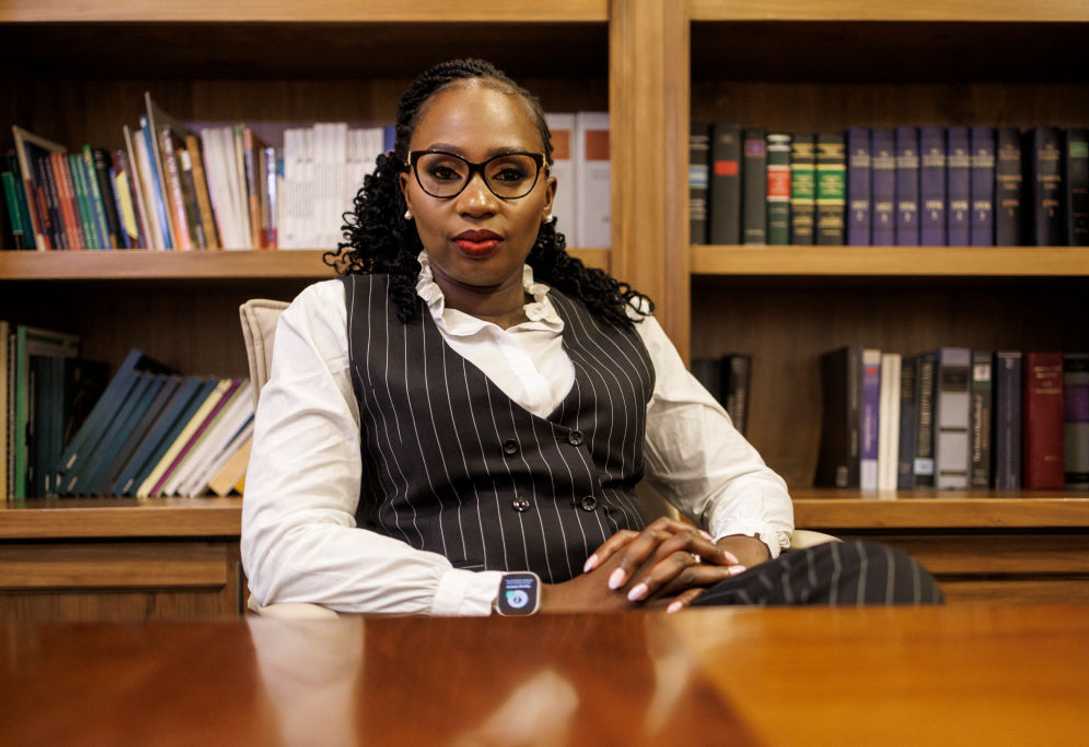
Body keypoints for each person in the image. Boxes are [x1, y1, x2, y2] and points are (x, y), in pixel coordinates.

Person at [241, 58, 941, 616]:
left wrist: (728, 561)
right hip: (459, 647)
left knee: (877, 574)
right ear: (406, 187)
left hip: (650, 623)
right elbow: (284, 547)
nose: (477, 200)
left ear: (547, 194)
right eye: (445, 172)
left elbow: (735, 475)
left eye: (509, 174)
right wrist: (535, 600)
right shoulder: (331, 317)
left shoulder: (618, 320)